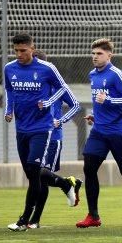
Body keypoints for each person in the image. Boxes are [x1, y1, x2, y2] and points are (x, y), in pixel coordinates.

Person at [3, 33, 78, 231]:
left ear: (32, 48)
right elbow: (9, 91)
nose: (19, 54)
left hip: (44, 131)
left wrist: (53, 109)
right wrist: (8, 110)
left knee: (36, 173)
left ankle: (26, 220)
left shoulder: (48, 70)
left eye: (23, 50)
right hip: (22, 129)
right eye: (16, 51)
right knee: (33, 175)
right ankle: (65, 184)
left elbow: (68, 95)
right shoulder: (9, 69)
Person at [76, 38, 122, 228]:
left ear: (110, 55)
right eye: (93, 54)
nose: (95, 57)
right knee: (89, 168)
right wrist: (95, 114)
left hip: (120, 131)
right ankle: (93, 216)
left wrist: (108, 100)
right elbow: (99, 101)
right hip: (99, 131)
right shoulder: (93, 74)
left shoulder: (116, 74)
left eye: (99, 54)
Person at [26, 49, 83, 229]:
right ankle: (67, 183)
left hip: (53, 137)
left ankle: (35, 219)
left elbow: (76, 105)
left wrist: (61, 120)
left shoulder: (57, 86)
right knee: (38, 176)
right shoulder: (30, 85)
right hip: (35, 135)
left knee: (41, 174)